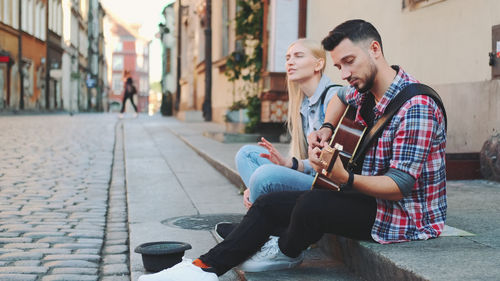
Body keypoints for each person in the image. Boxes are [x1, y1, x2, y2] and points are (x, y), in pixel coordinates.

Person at [138, 19, 447, 281]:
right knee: (269, 203)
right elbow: (341, 98)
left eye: (349, 62)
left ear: (375, 50)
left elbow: (400, 185)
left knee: (311, 205)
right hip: (367, 197)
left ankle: (283, 250)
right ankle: (201, 269)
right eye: (339, 65)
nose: (343, 73)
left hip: (402, 216)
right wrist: (325, 130)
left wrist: (345, 179)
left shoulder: (415, 106)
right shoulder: (364, 89)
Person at [235, 38, 343, 209]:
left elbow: (335, 162)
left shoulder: (334, 97)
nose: (290, 62)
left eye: (298, 56)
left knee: (264, 175)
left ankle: (261, 226)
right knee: (246, 154)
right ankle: (261, 215)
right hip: (310, 174)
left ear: (318, 64)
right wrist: (288, 163)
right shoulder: (303, 103)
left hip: (327, 185)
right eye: (287, 58)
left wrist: (293, 164)